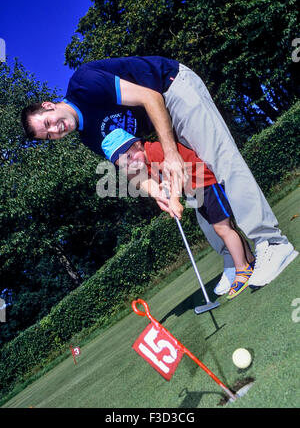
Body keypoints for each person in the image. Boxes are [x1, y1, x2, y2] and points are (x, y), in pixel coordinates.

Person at [20, 56, 298, 290]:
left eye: (49, 122)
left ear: (48, 105)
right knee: (191, 187)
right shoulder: (88, 136)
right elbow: (128, 165)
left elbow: (149, 97)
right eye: (48, 136)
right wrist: (156, 192)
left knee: (221, 160)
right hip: (159, 118)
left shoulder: (84, 83)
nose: (56, 130)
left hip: (172, 89)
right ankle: (234, 259)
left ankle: (271, 242)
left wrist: (173, 155)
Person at [101, 128, 256, 299]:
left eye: (129, 156)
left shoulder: (155, 150)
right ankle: (249, 261)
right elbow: (160, 181)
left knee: (223, 229)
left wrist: (174, 199)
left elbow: (175, 173)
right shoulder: (145, 161)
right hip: (196, 190)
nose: (130, 164)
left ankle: (242, 269)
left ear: (137, 144)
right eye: (124, 163)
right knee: (223, 228)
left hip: (205, 183)